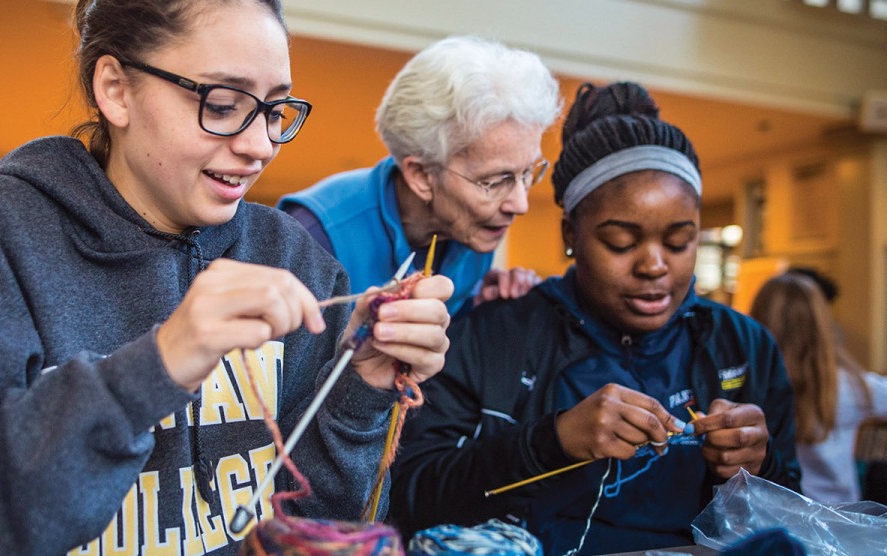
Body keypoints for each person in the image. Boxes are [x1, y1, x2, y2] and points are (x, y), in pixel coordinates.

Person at [0, 0, 453, 554]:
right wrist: (148, 373)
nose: (260, 145)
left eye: (275, 109)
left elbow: (323, 523)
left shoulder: (289, 254)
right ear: (114, 88)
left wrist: (363, 388)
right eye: (224, 104)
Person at [391, 82, 800, 555]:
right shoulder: (493, 336)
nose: (654, 266)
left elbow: (792, 508)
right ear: (572, 235)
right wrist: (553, 442)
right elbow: (411, 497)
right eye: (621, 242)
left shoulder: (742, 345)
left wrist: (758, 465)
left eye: (679, 241)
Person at [278, 36, 561, 317]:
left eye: (526, 173)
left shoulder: (474, 231)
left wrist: (479, 306)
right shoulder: (314, 234)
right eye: (496, 181)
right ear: (421, 175)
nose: (520, 205)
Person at [749, 272, 887, 504]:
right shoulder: (851, 386)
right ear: (823, 324)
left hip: (771, 512)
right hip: (839, 515)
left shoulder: (750, 384)